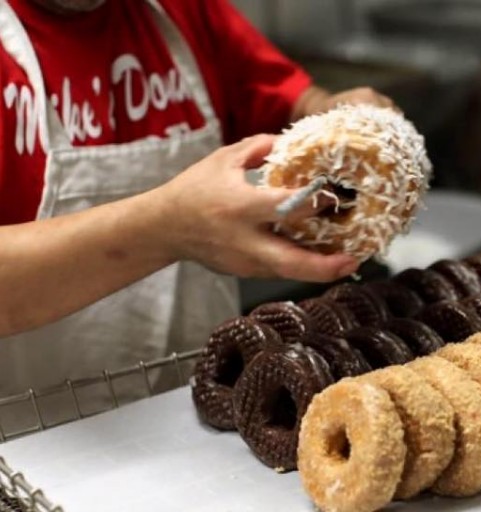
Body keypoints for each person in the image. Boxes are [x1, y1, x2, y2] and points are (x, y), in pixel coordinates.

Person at [0, 0, 396, 399]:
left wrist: (331, 117)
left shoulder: (180, 9)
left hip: (200, 415)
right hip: (28, 438)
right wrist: (164, 230)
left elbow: (294, 107)